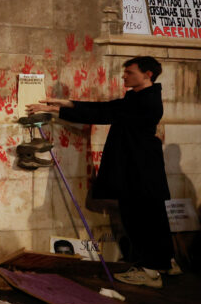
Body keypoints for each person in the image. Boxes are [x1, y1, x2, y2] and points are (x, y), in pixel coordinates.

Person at [28, 56, 174, 288]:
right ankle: (163, 263)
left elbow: (106, 112)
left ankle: (150, 271)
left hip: (138, 172)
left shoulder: (146, 101)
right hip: (140, 170)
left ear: (147, 75)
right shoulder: (139, 97)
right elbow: (110, 108)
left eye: (130, 72)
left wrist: (61, 108)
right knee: (152, 218)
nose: (124, 76)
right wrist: (65, 105)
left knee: (140, 220)